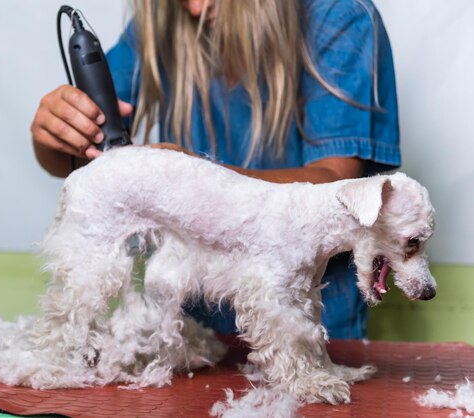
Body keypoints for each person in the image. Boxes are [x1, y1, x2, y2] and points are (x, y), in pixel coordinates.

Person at [30, 0, 401, 339]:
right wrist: (53, 135)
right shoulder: (161, 20)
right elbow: (74, 159)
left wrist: (197, 178)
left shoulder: (342, 17)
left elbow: (338, 184)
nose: (192, 8)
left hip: (308, 322)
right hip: (191, 328)